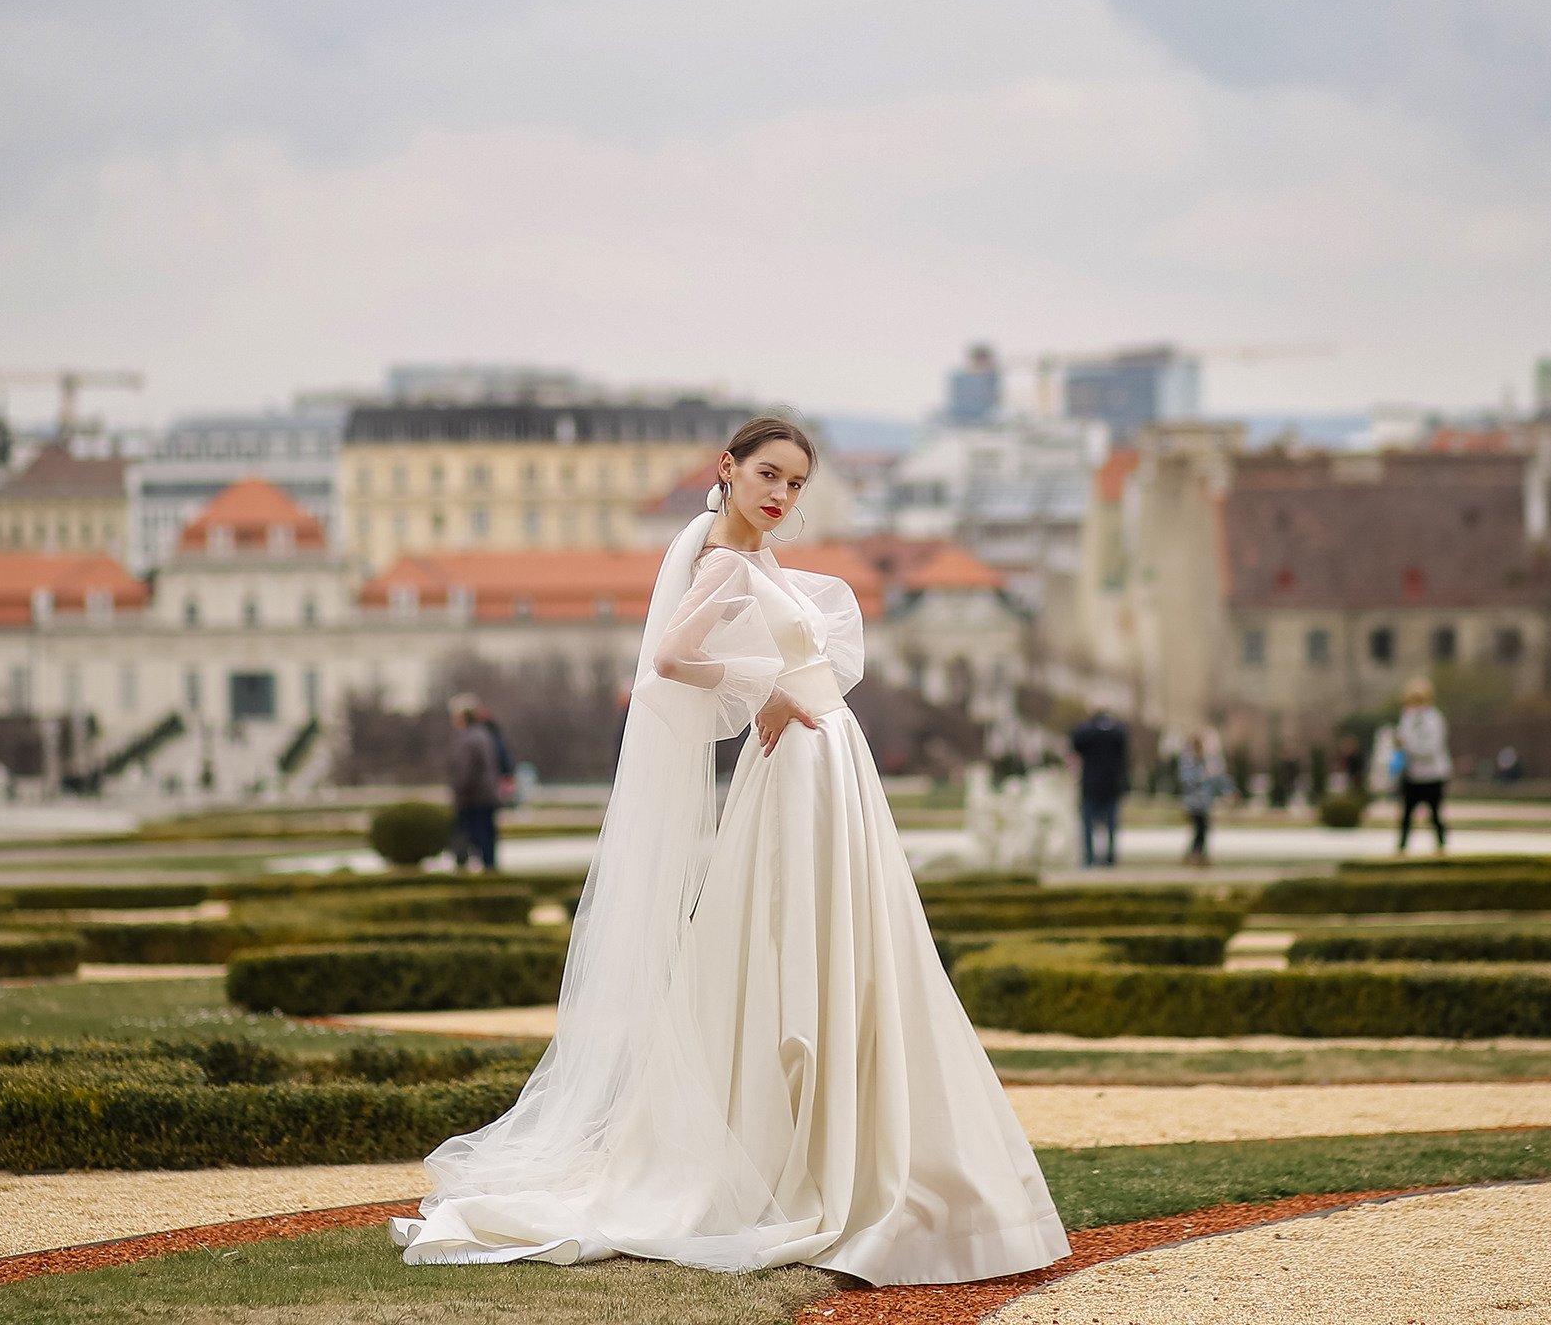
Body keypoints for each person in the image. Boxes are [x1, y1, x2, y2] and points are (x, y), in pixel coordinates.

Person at [393, 417, 1066, 1285]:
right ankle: (810, 1151)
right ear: (729, 468)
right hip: (799, 769)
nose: (782, 494)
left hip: (830, 764)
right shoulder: (721, 560)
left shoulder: (757, 559)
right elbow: (671, 659)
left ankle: (841, 1142)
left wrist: (780, 686)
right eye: (769, 474)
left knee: (849, 947)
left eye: (796, 483)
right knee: (801, 945)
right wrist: (763, 690)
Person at [444, 694, 501, 873]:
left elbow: (465, 772)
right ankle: (489, 871)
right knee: (486, 839)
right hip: (484, 795)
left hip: (472, 798)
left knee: (468, 837)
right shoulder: (483, 734)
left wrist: (458, 792)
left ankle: (469, 872)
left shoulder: (468, 738)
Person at [1394, 677, 1450, 854]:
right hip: (1413, 774)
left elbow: (1431, 748)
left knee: (1435, 814)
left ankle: (1441, 846)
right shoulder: (1407, 717)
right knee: (1406, 814)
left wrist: (1408, 746)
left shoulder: (1434, 719)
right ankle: (1402, 848)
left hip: (1433, 774)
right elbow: (1402, 737)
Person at [1069, 708, 1130, 868]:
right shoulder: (1116, 733)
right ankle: (1107, 860)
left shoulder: (1089, 733)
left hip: (1095, 787)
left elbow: (1075, 740)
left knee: (1093, 826)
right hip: (1107, 787)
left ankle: (1091, 860)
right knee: (1108, 827)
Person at [1178, 730, 1219, 867]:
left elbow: (1212, 779)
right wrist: (1201, 777)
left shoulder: (1204, 760)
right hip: (1193, 802)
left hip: (1204, 802)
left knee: (1203, 829)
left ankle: (1198, 855)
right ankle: (1195, 855)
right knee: (1200, 829)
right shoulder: (1188, 761)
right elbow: (1186, 779)